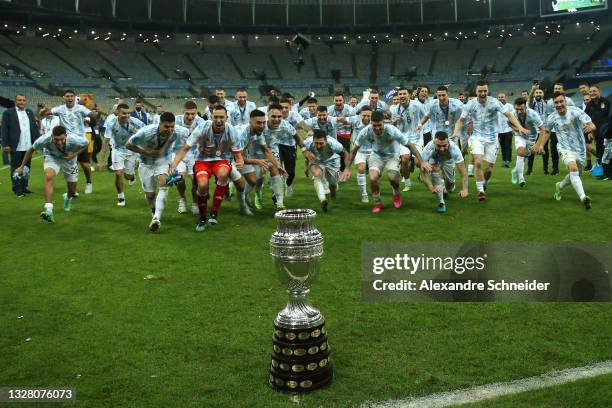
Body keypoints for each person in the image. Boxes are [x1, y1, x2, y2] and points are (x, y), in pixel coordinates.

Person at [452, 80, 528, 201]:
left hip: (492, 139)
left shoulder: (494, 102)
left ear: (487, 91)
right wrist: (456, 132)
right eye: (480, 91)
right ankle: (480, 191)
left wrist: (519, 127)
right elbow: (461, 120)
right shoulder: (471, 104)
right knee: (477, 162)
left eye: (485, 91)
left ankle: (485, 183)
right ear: (476, 91)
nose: (482, 93)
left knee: (488, 170)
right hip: (477, 137)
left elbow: (509, 114)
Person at [171, 106, 243, 232]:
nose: (219, 120)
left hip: (221, 160)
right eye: (216, 117)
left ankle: (214, 213)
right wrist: (174, 165)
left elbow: (238, 154)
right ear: (211, 117)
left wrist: (240, 162)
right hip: (202, 161)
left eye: (222, 117)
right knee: (203, 185)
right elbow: (185, 148)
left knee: (225, 175)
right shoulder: (203, 127)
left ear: (226, 118)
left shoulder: (231, 130)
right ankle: (203, 218)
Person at [341, 110, 422, 213]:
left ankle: (396, 193)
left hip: (392, 155)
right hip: (376, 155)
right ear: (371, 123)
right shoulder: (366, 131)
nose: (377, 128)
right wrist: (347, 168)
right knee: (373, 178)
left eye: (379, 125)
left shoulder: (392, 130)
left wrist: (422, 162)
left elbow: (409, 145)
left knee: (392, 178)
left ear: (384, 122)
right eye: (374, 125)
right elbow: (354, 149)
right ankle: (377, 202)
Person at [532, 92, 596, 209]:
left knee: (576, 174)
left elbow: (591, 124)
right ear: (553, 104)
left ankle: (560, 186)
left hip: (580, 150)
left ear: (565, 101)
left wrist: (590, 127)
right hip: (564, 149)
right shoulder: (552, 117)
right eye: (556, 102)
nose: (559, 104)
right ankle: (583, 198)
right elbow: (546, 131)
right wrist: (541, 145)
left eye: (561, 101)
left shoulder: (576, 111)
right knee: (573, 168)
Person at [126, 112, 189, 232]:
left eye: (172, 126)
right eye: (166, 126)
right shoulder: (146, 132)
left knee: (163, 183)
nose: (170, 130)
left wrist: (173, 161)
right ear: (159, 124)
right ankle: (153, 209)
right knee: (150, 195)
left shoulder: (178, 131)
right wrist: (147, 153)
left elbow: (189, 138)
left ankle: (156, 219)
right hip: (145, 162)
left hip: (163, 161)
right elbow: (128, 145)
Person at [14, 125, 88, 222]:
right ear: (52, 136)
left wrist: (74, 154)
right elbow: (31, 150)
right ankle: (48, 209)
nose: (59, 142)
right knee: (49, 176)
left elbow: (86, 144)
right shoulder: (45, 139)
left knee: (72, 190)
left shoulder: (74, 138)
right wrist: (22, 166)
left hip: (70, 161)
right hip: (52, 158)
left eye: (62, 139)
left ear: (66, 135)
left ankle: (67, 197)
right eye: (56, 140)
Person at [43, 90, 94, 194]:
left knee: (84, 164)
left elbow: (91, 115)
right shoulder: (60, 109)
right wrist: (44, 111)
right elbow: (47, 112)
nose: (70, 98)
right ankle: (72, 190)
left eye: (71, 96)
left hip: (79, 141)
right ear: (64, 98)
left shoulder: (81, 108)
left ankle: (89, 182)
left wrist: (91, 118)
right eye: (67, 96)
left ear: (75, 98)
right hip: (66, 142)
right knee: (69, 164)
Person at [238, 110, 287, 215]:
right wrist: (257, 161)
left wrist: (278, 165)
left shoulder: (257, 133)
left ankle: (280, 203)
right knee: (234, 182)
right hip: (229, 157)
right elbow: (238, 157)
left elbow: (266, 150)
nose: (262, 125)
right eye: (259, 123)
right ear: (250, 122)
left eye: (263, 122)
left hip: (244, 157)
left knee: (253, 181)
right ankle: (242, 205)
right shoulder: (242, 133)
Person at [96, 103, 144, 206]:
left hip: (131, 150)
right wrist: (101, 160)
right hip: (117, 149)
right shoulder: (111, 123)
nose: (126, 116)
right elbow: (105, 141)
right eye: (124, 113)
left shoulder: (135, 122)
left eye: (128, 113)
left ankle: (131, 177)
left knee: (128, 176)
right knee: (118, 173)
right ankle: (121, 197)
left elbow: (147, 130)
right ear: (117, 113)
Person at [420, 131, 469, 213]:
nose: (442, 149)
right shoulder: (428, 149)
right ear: (434, 142)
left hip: (448, 161)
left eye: (444, 146)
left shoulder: (454, 149)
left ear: (448, 142)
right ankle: (441, 202)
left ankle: (445, 188)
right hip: (434, 160)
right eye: (438, 146)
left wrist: (465, 189)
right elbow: (422, 174)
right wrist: (431, 188)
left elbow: (463, 173)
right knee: (435, 173)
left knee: (450, 187)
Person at [302, 129, 351, 212]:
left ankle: (333, 193)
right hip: (317, 160)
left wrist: (346, 168)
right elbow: (307, 155)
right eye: (316, 143)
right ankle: (322, 200)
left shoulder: (335, 144)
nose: (318, 146)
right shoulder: (307, 142)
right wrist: (307, 167)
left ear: (326, 140)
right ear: (313, 140)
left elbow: (345, 154)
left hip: (333, 161)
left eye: (321, 143)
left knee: (333, 184)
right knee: (317, 174)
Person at [1, 94, 39, 196]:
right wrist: (5, 144)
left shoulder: (29, 112)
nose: (21, 102)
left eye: (23, 100)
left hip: (28, 146)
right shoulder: (8, 113)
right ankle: (17, 189)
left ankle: (24, 187)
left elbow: (34, 129)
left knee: (26, 168)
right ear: (15, 101)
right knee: (16, 168)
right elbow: (4, 129)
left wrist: (37, 143)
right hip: (16, 146)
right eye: (19, 100)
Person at [174, 100, 206, 214]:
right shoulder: (176, 121)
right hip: (178, 153)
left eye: (193, 114)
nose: (190, 116)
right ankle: (182, 199)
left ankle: (195, 203)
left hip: (194, 154)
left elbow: (204, 138)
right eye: (187, 114)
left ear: (196, 113)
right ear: (183, 112)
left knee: (196, 181)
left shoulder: (201, 122)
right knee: (180, 179)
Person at [509, 98, 545, 187]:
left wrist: (538, 144)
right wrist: (518, 129)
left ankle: (514, 171)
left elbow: (543, 129)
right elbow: (509, 123)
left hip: (532, 137)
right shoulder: (513, 114)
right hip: (519, 135)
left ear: (526, 107)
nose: (519, 111)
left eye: (521, 109)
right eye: (517, 109)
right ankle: (521, 178)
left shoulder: (532, 114)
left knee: (524, 157)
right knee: (520, 152)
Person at [344, 106, 372, 202]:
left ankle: (375, 191)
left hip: (373, 150)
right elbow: (342, 120)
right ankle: (364, 194)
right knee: (361, 169)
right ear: (360, 115)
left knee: (375, 175)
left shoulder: (375, 121)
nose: (366, 118)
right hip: (358, 150)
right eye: (364, 115)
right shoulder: (355, 119)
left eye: (369, 116)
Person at [585, 85, 611, 179]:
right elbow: (585, 119)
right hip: (597, 135)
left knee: (608, 153)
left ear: (599, 91)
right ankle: (604, 173)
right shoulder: (589, 105)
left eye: (594, 91)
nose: (592, 93)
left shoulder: (606, 102)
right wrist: (589, 132)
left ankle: (609, 174)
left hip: (607, 133)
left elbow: (608, 118)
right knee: (600, 153)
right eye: (590, 92)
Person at [327, 91, 356, 171]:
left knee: (344, 154)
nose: (338, 102)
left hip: (345, 134)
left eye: (340, 100)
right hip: (333, 134)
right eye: (336, 100)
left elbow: (353, 123)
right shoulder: (329, 110)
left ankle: (342, 171)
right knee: (332, 153)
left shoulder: (350, 110)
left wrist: (345, 123)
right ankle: (331, 170)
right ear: (333, 100)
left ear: (344, 100)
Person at [497, 92, 514, 168]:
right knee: (502, 146)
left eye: (502, 97)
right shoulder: (496, 107)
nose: (501, 98)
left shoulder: (510, 106)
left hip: (508, 129)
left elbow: (513, 116)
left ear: (506, 98)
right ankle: (504, 160)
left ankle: (508, 161)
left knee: (508, 146)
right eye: (499, 97)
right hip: (500, 130)